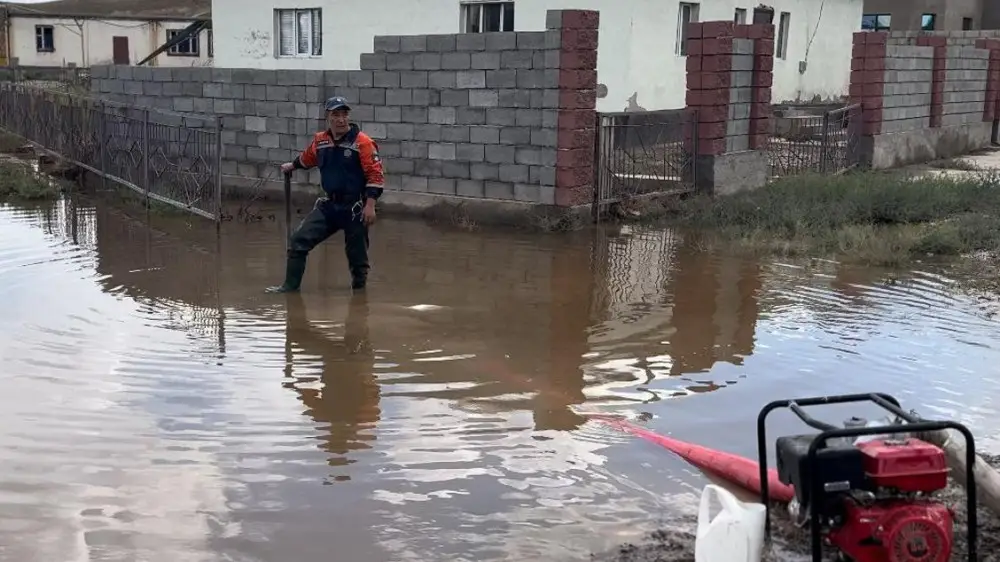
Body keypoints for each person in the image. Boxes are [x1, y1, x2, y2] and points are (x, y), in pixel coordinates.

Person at [265, 96, 385, 293]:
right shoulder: (321, 141)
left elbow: (375, 175)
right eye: (336, 115)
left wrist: (370, 205)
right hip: (330, 205)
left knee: (357, 258)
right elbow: (307, 158)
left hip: (355, 208)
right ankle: (289, 287)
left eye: (344, 115)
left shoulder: (363, 142)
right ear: (328, 117)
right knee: (298, 241)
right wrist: (292, 166)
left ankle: (359, 297)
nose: (341, 119)